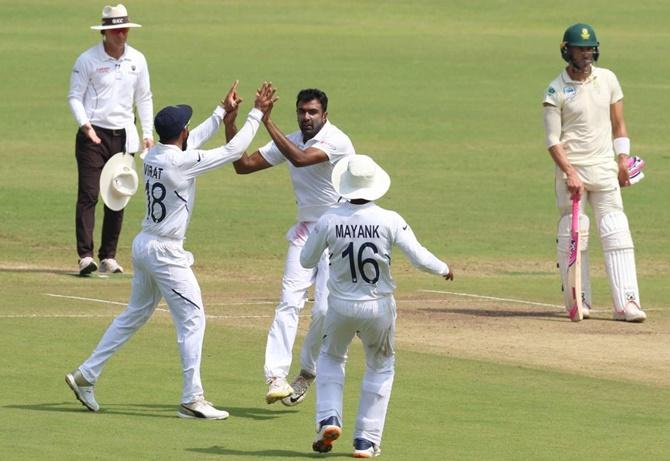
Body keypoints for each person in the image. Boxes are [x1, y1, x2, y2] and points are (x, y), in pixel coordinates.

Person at [65, 81, 277, 419]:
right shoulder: (181, 162)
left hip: (144, 245)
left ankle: (86, 374)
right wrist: (256, 113)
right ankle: (192, 399)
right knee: (193, 319)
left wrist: (222, 112)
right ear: (183, 133)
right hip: (165, 253)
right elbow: (234, 150)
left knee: (134, 315)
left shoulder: (155, 155)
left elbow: (194, 139)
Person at [300, 155, 454, 457]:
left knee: (331, 358)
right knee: (381, 367)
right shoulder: (389, 219)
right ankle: (366, 441)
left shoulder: (329, 219)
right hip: (378, 307)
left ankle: (329, 418)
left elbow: (306, 260)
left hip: (341, 306)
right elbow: (419, 256)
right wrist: (443, 268)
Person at [223, 88, 356, 406]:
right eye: (301, 111)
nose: (306, 117)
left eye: (312, 112)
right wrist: (231, 121)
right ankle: (275, 377)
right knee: (288, 301)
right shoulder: (291, 138)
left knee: (324, 309)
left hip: (338, 232)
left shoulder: (336, 140)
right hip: (306, 231)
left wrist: (267, 121)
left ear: (324, 113)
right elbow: (242, 165)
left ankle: (308, 370)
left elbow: (300, 158)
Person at [543, 23, 646, 322]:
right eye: (581, 48)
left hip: (604, 169)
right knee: (574, 233)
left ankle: (627, 302)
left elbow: (619, 125)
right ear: (567, 51)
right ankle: (580, 298)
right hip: (571, 174)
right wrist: (570, 173)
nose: (587, 54)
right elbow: (552, 141)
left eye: (590, 48)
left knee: (616, 229)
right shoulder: (555, 90)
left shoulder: (609, 79)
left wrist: (623, 159)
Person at [67, 4, 154, 276]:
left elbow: (144, 97)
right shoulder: (88, 60)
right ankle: (85, 256)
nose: (121, 35)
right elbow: (74, 97)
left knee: (118, 194)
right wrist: (85, 126)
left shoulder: (137, 60)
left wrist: (147, 133)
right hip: (93, 135)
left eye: (124, 29)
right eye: (116, 30)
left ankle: (108, 256)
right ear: (105, 32)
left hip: (125, 135)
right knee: (90, 194)